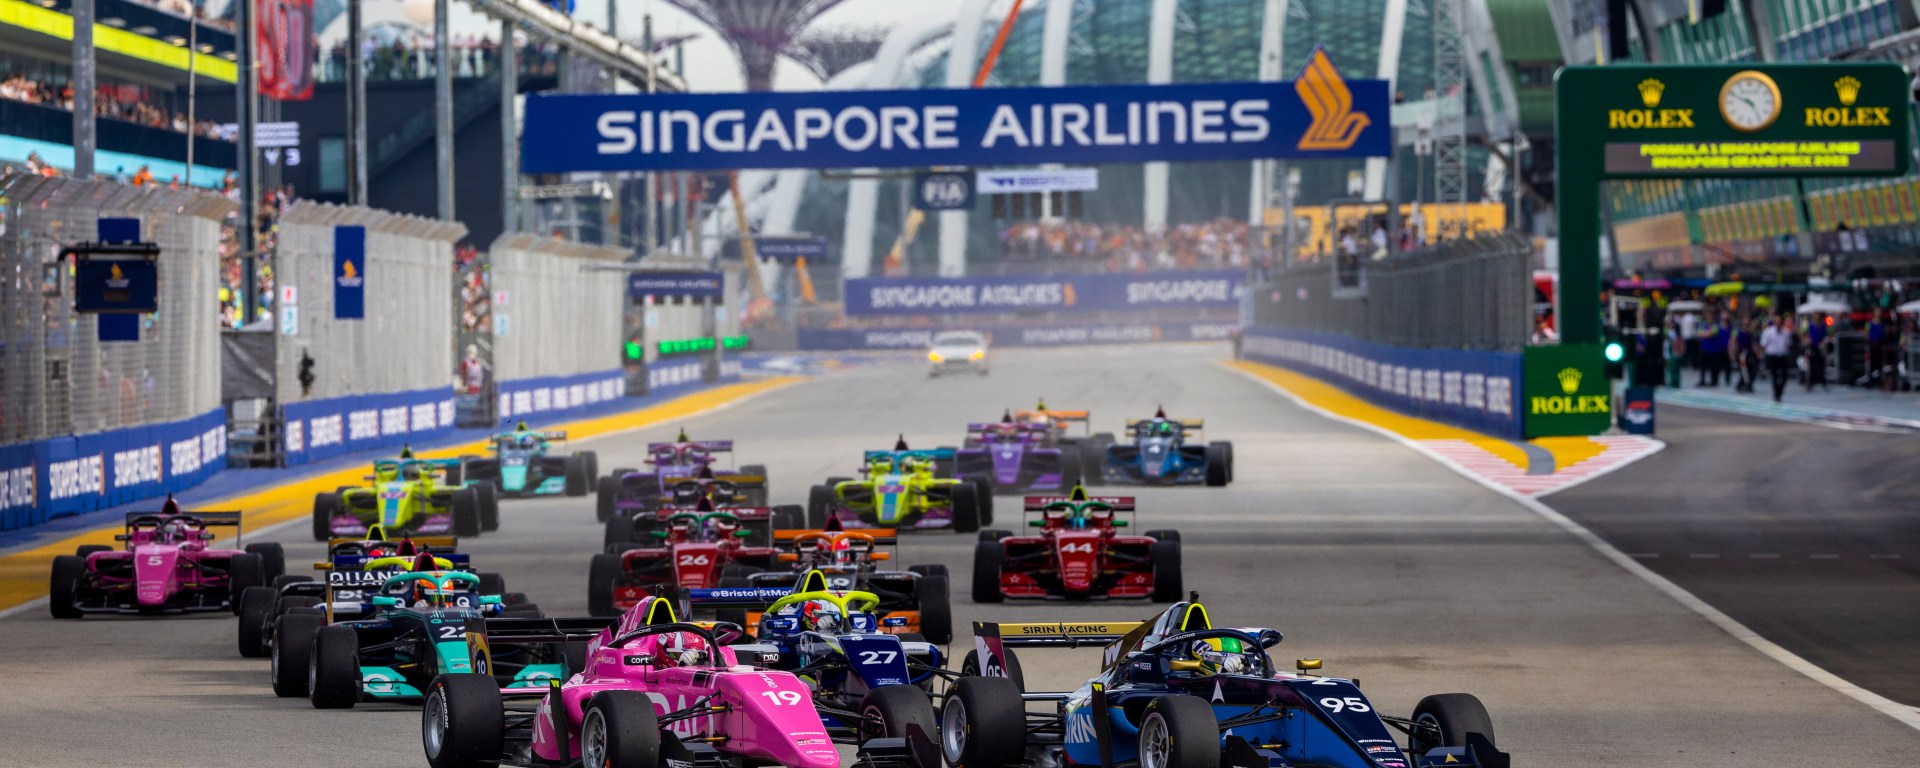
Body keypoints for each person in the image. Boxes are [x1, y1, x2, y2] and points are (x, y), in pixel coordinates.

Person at [1761, 315, 1795, 402]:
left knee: (1785, 376)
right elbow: (1763, 344)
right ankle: (1776, 394)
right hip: (1772, 356)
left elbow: (1789, 344)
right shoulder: (1768, 332)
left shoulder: (1786, 332)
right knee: (1774, 375)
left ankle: (1779, 391)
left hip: (1782, 356)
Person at [1803, 313, 1831, 392]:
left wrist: (1825, 342)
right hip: (1811, 347)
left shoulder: (1824, 326)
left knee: (1822, 365)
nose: (1817, 318)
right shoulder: (1809, 325)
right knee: (1811, 365)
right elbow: (1802, 333)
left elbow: (1828, 335)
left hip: (1820, 347)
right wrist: (1807, 340)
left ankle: (1823, 382)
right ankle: (1810, 383)